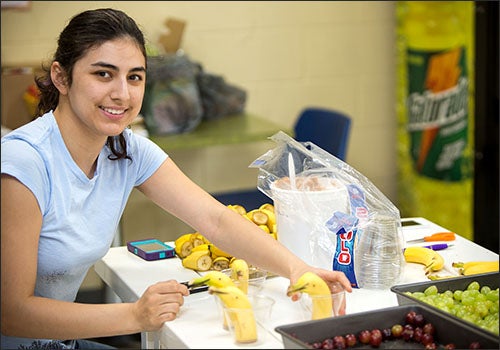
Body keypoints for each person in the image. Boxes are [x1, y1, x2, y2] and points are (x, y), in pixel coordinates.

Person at [1, 8, 352, 349]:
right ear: (62, 78)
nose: (122, 93)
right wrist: (135, 316)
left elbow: (215, 220)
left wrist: (298, 268)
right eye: (103, 74)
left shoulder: (126, 150)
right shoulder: (24, 163)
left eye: (134, 77)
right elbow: (11, 313)